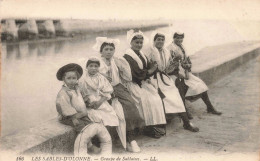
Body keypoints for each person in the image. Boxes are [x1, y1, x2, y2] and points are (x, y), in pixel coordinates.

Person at [93, 37, 144, 152]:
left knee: (130, 106)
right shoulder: (96, 63)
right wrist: (101, 77)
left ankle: (131, 139)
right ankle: (104, 141)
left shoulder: (116, 61)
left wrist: (122, 67)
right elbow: (91, 78)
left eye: (111, 49)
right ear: (101, 51)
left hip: (117, 87)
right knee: (110, 111)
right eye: (106, 49)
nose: (109, 51)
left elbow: (127, 77)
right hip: (102, 91)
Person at [147, 31, 199, 132]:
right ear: (154, 41)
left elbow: (167, 68)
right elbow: (149, 69)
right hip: (154, 79)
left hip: (165, 78)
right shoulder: (150, 52)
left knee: (177, 96)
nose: (160, 42)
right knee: (165, 97)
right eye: (158, 39)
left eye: (162, 40)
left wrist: (174, 64)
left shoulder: (166, 52)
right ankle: (163, 123)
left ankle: (186, 123)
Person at [123, 30, 167, 139]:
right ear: (131, 43)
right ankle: (147, 128)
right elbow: (136, 74)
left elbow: (149, 65)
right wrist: (150, 70)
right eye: (136, 42)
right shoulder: (128, 56)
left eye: (140, 43)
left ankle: (153, 125)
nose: (139, 45)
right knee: (147, 99)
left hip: (142, 81)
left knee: (156, 97)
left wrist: (150, 69)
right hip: (133, 83)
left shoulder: (141, 54)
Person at [167, 32, 222, 116]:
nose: (179, 40)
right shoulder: (170, 48)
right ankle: (184, 111)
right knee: (183, 86)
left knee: (201, 85)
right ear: (173, 38)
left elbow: (187, 59)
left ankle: (209, 107)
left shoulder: (182, 47)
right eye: (177, 38)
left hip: (184, 72)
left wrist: (188, 65)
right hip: (175, 73)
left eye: (181, 38)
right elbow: (169, 64)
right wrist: (180, 66)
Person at [55, 63, 103, 153]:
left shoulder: (76, 89)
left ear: (77, 79)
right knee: (81, 128)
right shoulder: (64, 93)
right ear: (63, 79)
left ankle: (95, 142)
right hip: (69, 117)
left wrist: (87, 102)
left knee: (91, 124)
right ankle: (89, 146)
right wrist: (73, 117)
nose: (72, 81)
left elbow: (81, 98)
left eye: (74, 78)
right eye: (69, 78)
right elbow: (64, 106)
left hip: (80, 114)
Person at [79, 57, 120, 127]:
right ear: (86, 67)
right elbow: (80, 94)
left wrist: (99, 102)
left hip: (100, 100)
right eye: (91, 66)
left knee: (111, 114)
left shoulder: (101, 78)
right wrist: (87, 102)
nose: (93, 68)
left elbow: (107, 91)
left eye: (96, 66)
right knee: (95, 116)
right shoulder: (83, 79)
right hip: (89, 102)